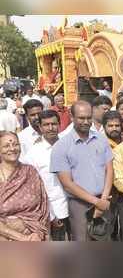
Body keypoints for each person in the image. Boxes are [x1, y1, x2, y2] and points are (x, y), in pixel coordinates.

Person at [50, 101, 114, 241]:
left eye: (88, 117)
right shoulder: (61, 146)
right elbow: (67, 184)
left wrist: (103, 199)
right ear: (71, 117)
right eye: (81, 118)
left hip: (104, 199)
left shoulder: (101, 139)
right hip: (80, 205)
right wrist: (96, 202)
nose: (86, 121)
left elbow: (109, 169)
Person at [23, 110, 69, 241]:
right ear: (40, 127)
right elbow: (33, 188)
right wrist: (51, 214)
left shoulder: (68, 146)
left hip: (73, 206)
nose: (50, 128)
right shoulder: (33, 154)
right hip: (52, 211)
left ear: (59, 124)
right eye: (46, 125)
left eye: (54, 124)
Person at [0, 131, 49, 241]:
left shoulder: (30, 172)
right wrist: (22, 238)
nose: (12, 149)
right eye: (6, 146)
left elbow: (43, 207)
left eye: (15, 144)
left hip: (34, 236)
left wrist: (38, 233)